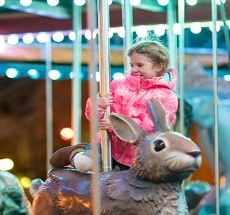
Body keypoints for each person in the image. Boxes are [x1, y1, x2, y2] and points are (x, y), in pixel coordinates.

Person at [51, 39, 178, 173]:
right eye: (132, 65)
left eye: (140, 65)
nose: (134, 70)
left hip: (137, 153)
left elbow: (154, 127)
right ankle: (75, 154)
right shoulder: (117, 86)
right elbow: (92, 116)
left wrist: (115, 126)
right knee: (84, 165)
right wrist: (98, 105)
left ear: (159, 67)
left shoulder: (166, 96)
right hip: (106, 143)